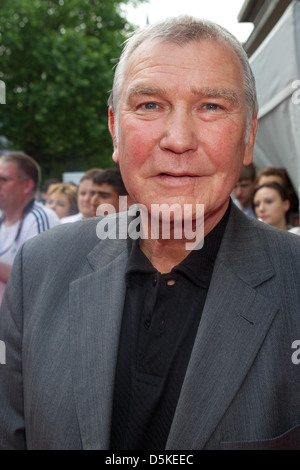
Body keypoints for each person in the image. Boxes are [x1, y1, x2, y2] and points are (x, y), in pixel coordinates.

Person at [1, 16, 300, 451]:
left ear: (249, 134)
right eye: (149, 105)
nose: (178, 139)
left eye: (212, 106)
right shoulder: (40, 270)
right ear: (114, 130)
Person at [0, 152, 60, 305]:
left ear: (27, 185)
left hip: (22, 325)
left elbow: (41, 280)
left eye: (4, 179)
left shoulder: (41, 218)